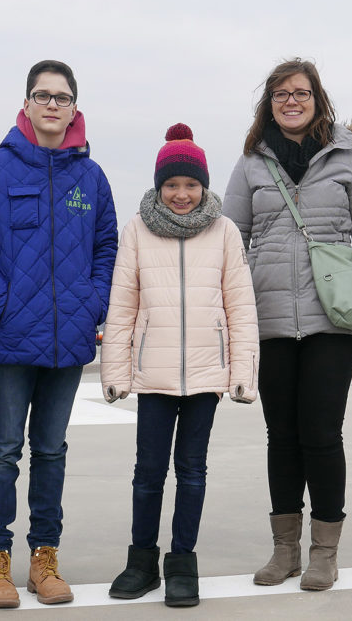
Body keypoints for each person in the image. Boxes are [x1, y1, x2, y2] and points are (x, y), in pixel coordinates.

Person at [0, 60, 118, 609]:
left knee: (50, 450)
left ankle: (45, 558)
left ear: (74, 109)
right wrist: (1, 303)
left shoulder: (91, 178)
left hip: (68, 343)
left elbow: (107, 249)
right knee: (2, 449)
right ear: (25, 104)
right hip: (8, 341)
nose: (51, 105)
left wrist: (92, 304)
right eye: (41, 95)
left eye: (61, 97)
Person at [223, 58, 352, 592]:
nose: (290, 101)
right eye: (280, 94)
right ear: (268, 103)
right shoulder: (252, 161)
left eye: (300, 93)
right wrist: (228, 311)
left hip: (333, 317)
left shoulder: (351, 157)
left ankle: (324, 551)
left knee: (321, 433)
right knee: (282, 436)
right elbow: (231, 240)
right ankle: (284, 551)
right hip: (269, 316)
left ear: (318, 100)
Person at [100, 124, 259, 607]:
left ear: (204, 186)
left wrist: (242, 373)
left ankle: (182, 562)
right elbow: (123, 304)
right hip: (155, 375)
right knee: (148, 471)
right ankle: (141, 560)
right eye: (172, 185)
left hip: (207, 376)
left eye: (190, 185)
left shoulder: (226, 230)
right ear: (158, 186)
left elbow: (241, 306)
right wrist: (116, 372)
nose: (182, 194)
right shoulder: (137, 229)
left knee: (192, 470)